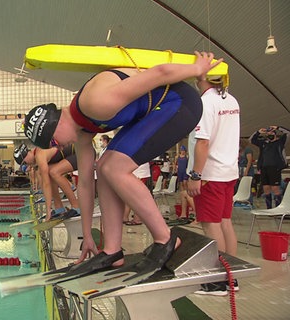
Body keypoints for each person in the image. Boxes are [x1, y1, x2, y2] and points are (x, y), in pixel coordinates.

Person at [23, 51, 222, 276]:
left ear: (56, 122)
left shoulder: (94, 103)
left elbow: (160, 72)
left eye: (53, 141)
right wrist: (87, 234)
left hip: (179, 103)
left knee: (114, 166)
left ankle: (165, 238)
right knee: (105, 167)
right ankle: (111, 250)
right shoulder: (83, 131)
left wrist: (198, 69)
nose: (57, 147)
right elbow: (87, 184)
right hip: (157, 109)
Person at [187, 75, 240, 295]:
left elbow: (203, 141)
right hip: (228, 172)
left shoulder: (206, 102)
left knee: (211, 226)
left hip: (210, 174)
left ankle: (217, 282)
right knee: (225, 222)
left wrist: (196, 175)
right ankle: (231, 277)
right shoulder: (231, 100)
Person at [14, 143, 80, 220]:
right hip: (74, 154)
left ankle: (76, 207)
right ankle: (59, 207)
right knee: (49, 172)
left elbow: (46, 184)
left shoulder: (39, 156)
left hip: (80, 152)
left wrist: (48, 210)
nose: (27, 164)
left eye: (25, 162)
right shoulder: (38, 155)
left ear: (27, 154)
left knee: (54, 172)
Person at [250, 126, 289, 208]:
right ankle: (269, 209)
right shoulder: (264, 143)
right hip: (264, 168)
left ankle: (278, 208)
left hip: (275, 168)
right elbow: (251, 140)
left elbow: (288, 133)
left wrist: (278, 127)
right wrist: (258, 132)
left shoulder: (280, 142)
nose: (269, 134)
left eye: (271, 133)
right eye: (267, 134)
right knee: (266, 189)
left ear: (275, 134)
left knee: (275, 189)